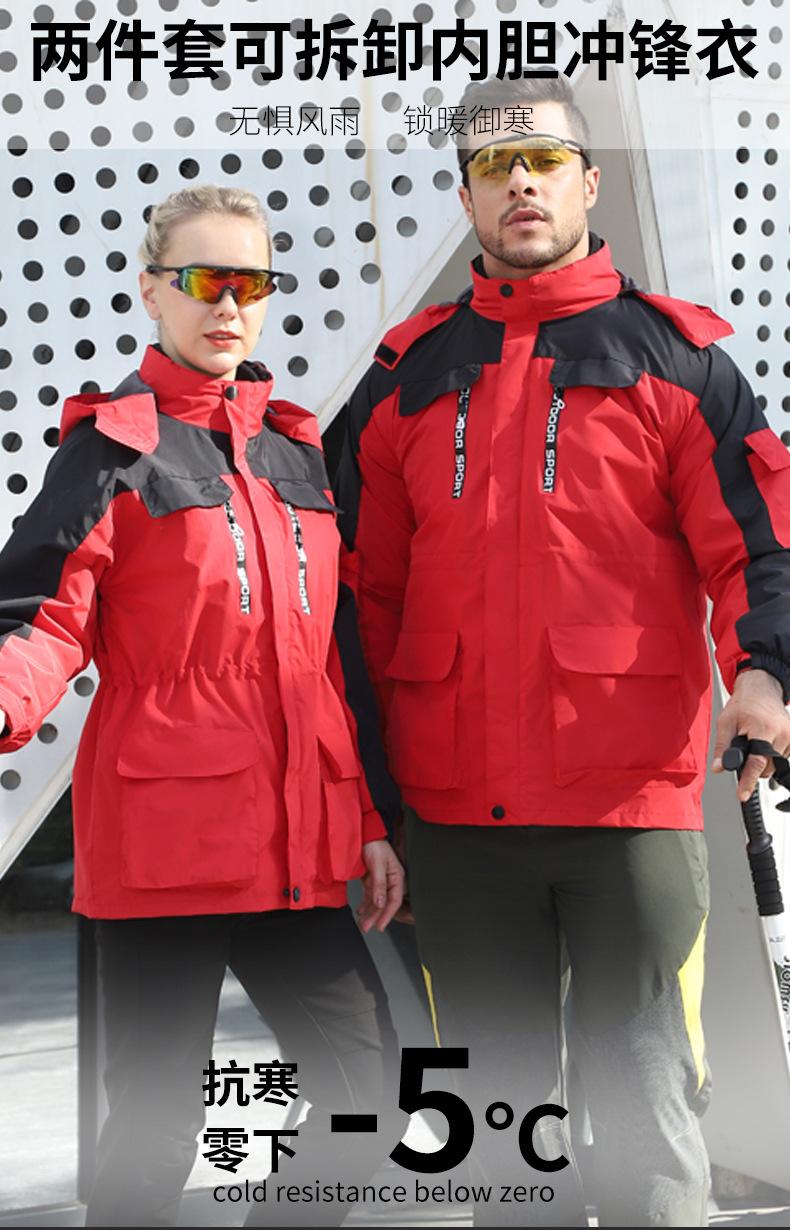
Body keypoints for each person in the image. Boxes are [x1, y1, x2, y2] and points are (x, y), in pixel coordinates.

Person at [334, 75, 790, 1227]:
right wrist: (371, 799)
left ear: (588, 181)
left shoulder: (677, 361)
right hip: (455, 823)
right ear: (466, 200)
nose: (521, 183)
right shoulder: (404, 380)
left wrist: (763, 674)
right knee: (501, 1132)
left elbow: (756, 547)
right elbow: (360, 600)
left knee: (644, 1110)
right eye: (494, 166)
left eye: (542, 159)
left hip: (627, 812)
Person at [0, 184, 405, 1227]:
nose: (229, 304)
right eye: (204, 279)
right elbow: (45, 615)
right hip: (164, 851)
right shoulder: (111, 449)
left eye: (252, 283)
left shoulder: (294, 452)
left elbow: (327, 663)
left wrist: (366, 821)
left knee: (367, 1096)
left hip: (295, 852)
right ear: (152, 291)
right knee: (153, 1132)